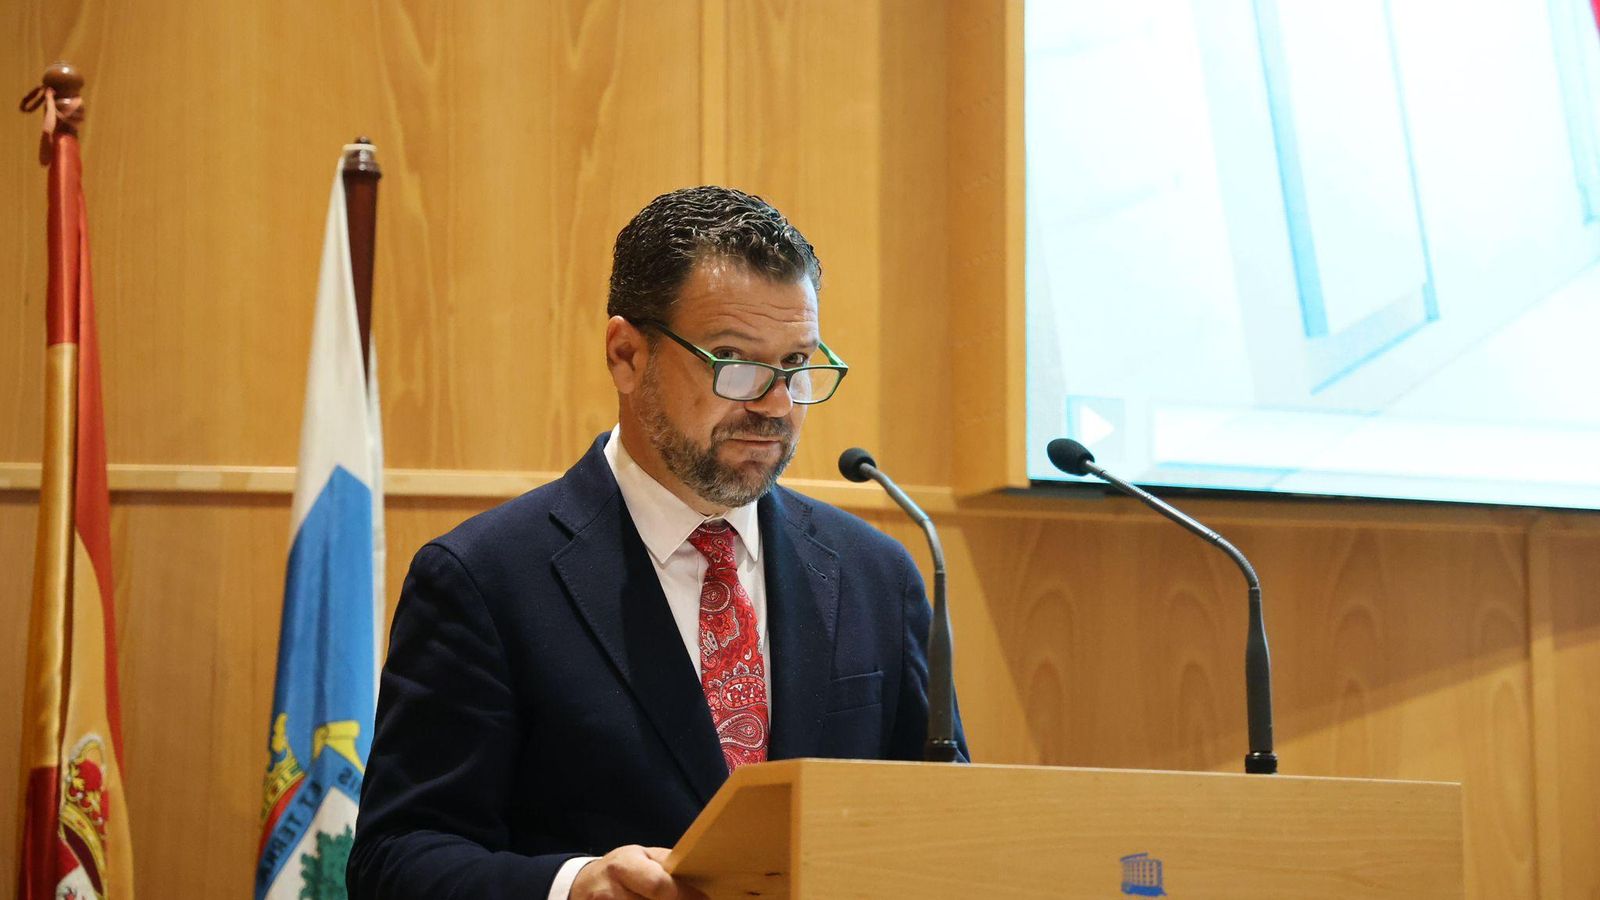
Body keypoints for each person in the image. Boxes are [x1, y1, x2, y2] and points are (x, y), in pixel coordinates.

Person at [347, 186, 966, 900]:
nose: (774, 404)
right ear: (626, 355)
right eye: (735, 360)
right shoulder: (485, 581)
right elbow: (396, 862)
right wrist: (574, 886)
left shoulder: (875, 576)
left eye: (798, 365)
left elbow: (942, 827)